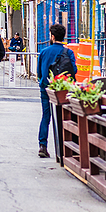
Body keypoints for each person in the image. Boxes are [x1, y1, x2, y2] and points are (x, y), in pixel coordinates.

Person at [37, 23, 77, 158]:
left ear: (52, 36)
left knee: (46, 116)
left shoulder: (44, 52)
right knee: (63, 116)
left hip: (46, 87)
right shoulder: (68, 52)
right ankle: (64, 148)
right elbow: (74, 71)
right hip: (63, 89)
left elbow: (39, 73)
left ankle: (43, 145)